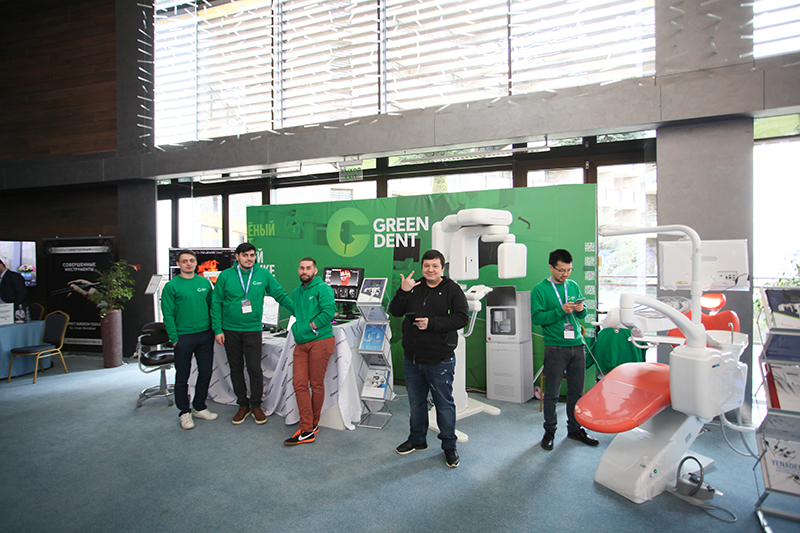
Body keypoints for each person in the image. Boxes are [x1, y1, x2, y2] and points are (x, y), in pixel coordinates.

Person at [388, 249, 469, 468]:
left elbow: (462, 318)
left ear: (442, 268)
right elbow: (395, 311)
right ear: (422, 267)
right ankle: (417, 440)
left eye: (435, 266)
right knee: (416, 403)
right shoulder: (413, 286)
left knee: (444, 404)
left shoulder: (452, 289)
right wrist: (403, 291)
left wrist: (432, 323)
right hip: (412, 358)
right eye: (426, 266)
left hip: (439, 359)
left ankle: (449, 446)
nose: (430, 269)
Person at [211, 242, 294, 425]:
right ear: (237, 257)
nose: (249, 259)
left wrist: (298, 312)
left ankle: (256, 405)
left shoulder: (263, 274)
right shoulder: (225, 276)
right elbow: (216, 303)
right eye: (245, 255)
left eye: (252, 255)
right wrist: (217, 329)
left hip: (253, 330)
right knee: (236, 369)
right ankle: (242, 404)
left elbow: (280, 294)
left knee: (254, 369)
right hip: (230, 330)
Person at [531, 249, 599, 451]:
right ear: (551, 267)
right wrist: (560, 311)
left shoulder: (573, 285)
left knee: (576, 392)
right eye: (561, 270)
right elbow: (537, 318)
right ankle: (549, 431)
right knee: (552, 393)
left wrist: (581, 309)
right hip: (555, 347)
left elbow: (582, 315)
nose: (565, 274)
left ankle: (575, 429)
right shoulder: (540, 289)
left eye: (569, 270)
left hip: (577, 345)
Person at [161, 249, 218, 430]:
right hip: (183, 337)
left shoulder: (204, 283)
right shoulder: (171, 286)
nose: (188, 264)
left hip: (205, 335)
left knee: (206, 372)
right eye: (184, 261)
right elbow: (168, 314)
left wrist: (215, 329)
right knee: (182, 376)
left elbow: (212, 307)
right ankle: (184, 412)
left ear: (195, 263)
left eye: (191, 260)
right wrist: (174, 338)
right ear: (178, 264)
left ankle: (199, 407)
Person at [283, 257, 336, 445]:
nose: (304, 271)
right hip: (301, 343)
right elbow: (298, 313)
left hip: (320, 341)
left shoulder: (323, 288)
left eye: (308, 268)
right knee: (299, 384)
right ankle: (308, 427)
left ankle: (310, 427)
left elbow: (329, 312)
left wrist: (310, 326)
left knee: (316, 384)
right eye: (301, 268)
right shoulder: (296, 292)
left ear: (315, 271)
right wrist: (300, 328)